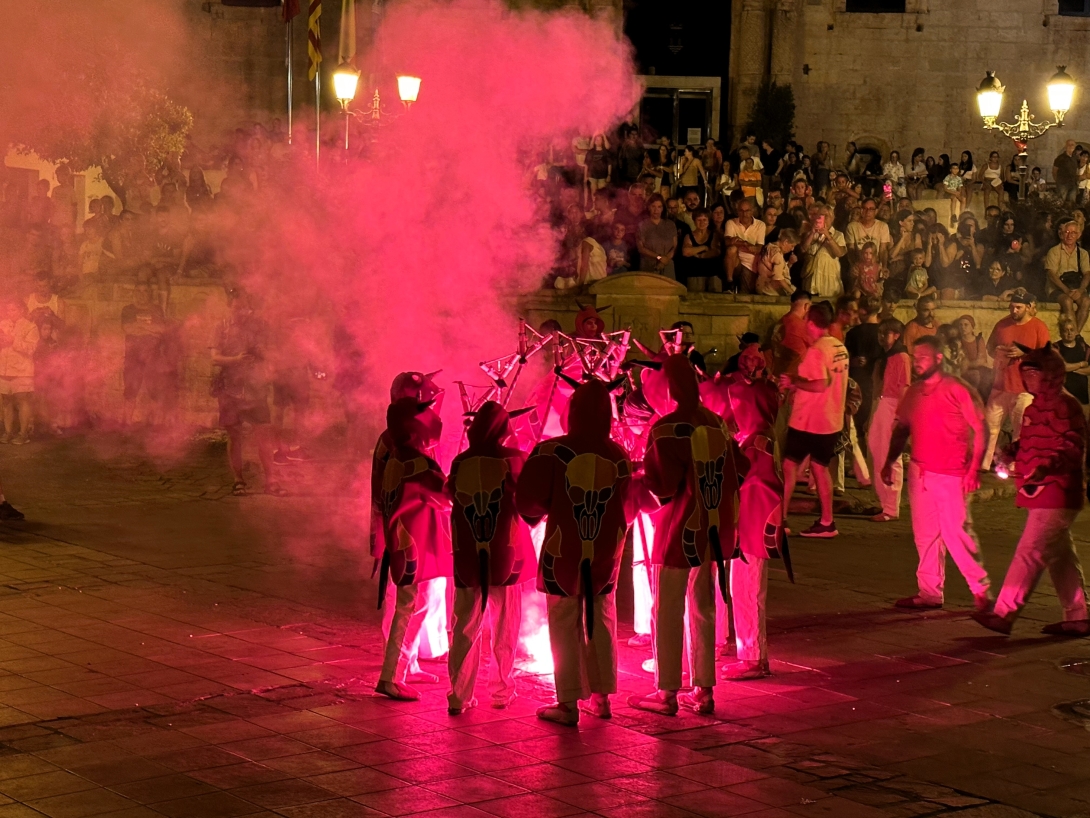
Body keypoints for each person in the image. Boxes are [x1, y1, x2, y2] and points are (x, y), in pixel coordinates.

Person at [516, 380, 633, 726]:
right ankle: (602, 697)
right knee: (603, 619)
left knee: (564, 621)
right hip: (605, 552)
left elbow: (529, 501)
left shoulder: (551, 451)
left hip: (561, 550)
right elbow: (627, 505)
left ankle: (567, 702)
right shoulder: (619, 455)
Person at [630, 355, 737, 715]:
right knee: (704, 607)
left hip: (678, 528)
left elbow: (662, 483)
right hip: (712, 527)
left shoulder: (667, 427)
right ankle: (704, 689)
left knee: (668, 608)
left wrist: (639, 477)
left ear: (670, 389)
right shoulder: (718, 423)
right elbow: (739, 468)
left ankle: (667, 692)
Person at [974, 345, 1088, 636]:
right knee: (1060, 555)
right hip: (1039, 489)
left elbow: (1071, 446)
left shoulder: (1066, 406)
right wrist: (1010, 452)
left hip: (1058, 491)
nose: (1030, 379)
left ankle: (1004, 613)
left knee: (1030, 551)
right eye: (1026, 374)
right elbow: (1032, 442)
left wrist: (1045, 468)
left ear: (1050, 375)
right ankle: (1079, 615)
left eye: (1035, 373)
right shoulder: (1035, 407)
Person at [882, 336, 992, 610]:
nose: (917, 362)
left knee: (956, 534)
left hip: (951, 473)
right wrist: (889, 462)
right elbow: (902, 429)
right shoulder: (914, 392)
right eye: (915, 357)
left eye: (923, 357)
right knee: (925, 534)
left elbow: (980, 427)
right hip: (920, 471)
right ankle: (929, 591)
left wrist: (975, 468)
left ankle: (980, 591)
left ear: (939, 358)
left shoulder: (957, 388)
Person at [446, 402, 534, 714]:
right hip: (506, 554)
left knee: (465, 626)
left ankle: (458, 695)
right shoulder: (515, 459)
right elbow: (529, 498)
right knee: (505, 626)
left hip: (468, 553)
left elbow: (449, 495)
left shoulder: (460, 461)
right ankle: (501, 689)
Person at [374, 397, 452, 702]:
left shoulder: (397, 458)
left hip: (404, 547)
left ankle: (403, 669)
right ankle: (391, 677)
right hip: (415, 549)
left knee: (410, 608)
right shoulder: (417, 463)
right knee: (408, 610)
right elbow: (447, 499)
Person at [713, 343, 783, 679]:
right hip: (749, 523)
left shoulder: (757, 442)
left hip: (753, 526)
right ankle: (744, 648)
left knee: (747, 589)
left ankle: (754, 657)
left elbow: (747, 484)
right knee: (740, 587)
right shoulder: (756, 437)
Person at [778, 301, 849, 538]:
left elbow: (821, 383)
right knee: (820, 469)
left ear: (810, 322)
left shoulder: (816, 350)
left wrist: (794, 384)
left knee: (789, 467)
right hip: (831, 419)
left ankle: (781, 519)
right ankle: (827, 521)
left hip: (809, 420)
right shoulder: (839, 347)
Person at [210, 290, 280, 496]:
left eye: (245, 307)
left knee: (263, 437)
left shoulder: (260, 327)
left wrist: (261, 354)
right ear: (230, 305)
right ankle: (238, 480)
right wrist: (236, 360)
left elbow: (270, 355)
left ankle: (270, 482)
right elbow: (214, 358)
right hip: (230, 389)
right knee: (235, 436)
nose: (242, 311)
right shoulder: (221, 327)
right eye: (237, 307)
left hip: (255, 388)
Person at [981, 292, 1050, 471]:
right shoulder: (1002, 324)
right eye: (1012, 306)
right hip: (1001, 384)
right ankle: (985, 463)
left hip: (1025, 388)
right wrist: (997, 351)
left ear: (1028, 307)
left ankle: (1015, 464)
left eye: (1018, 307)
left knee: (1020, 429)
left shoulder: (1038, 327)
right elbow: (989, 347)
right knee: (990, 426)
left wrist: (1024, 353)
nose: (1014, 310)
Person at [868, 319, 910, 522]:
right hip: (884, 403)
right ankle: (884, 501)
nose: (881, 337)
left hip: (892, 405)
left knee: (890, 456)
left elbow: (904, 387)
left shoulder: (901, 357)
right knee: (877, 450)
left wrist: (898, 415)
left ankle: (891, 508)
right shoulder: (887, 356)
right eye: (881, 333)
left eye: (886, 333)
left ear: (896, 335)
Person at [121, 284, 167, 427]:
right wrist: (150, 329)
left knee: (155, 390)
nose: (142, 294)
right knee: (130, 390)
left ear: (149, 293)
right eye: (139, 291)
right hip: (133, 356)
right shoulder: (128, 310)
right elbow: (128, 329)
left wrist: (139, 326)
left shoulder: (156, 309)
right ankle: (127, 424)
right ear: (135, 293)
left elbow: (161, 330)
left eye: (145, 291)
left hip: (152, 355)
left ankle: (156, 425)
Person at [0, 301, 40, 446]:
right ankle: (8, 432)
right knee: (6, 402)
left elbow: (31, 348)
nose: (11, 313)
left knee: (23, 400)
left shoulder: (31, 326)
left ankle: (23, 433)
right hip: (3, 370)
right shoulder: (2, 324)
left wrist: (13, 340)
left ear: (22, 310)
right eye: (9, 310)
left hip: (22, 371)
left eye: (14, 310)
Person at [845, 295, 882, 442]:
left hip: (857, 383)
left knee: (858, 423)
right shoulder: (884, 332)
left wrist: (854, 362)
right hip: (877, 383)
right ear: (879, 309)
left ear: (862, 311)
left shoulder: (852, 333)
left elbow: (847, 359)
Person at [1045, 219, 1090, 331]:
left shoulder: (1083, 253)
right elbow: (1051, 275)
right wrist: (1066, 290)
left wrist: (1080, 290)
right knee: (1067, 301)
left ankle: (1075, 334)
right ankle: (1073, 335)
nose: (1070, 236)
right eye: (1067, 232)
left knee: (1086, 301)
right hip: (1058, 289)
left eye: (1073, 233)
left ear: (1078, 235)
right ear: (1061, 234)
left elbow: (1087, 274)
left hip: (1075, 288)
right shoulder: (1054, 251)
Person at [800, 204, 847, 297]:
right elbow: (803, 249)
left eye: (827, 216)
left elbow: (839, 253)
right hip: (812, 278)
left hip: (829, 279)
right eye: (821, 215)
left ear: (832, 218)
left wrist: (828, 236)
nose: (824, 218)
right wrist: (812, 233)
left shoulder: (838, 235)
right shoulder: (809, 233)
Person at [724, 198, 766, 292]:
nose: (744, 214)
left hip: (750, 263)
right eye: (741, 211)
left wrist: (739, 242)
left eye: (747, 211)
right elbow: (727, 242)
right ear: (737, 211)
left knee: (745, 294)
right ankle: (729, 282)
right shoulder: (731, 223)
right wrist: (745, 244)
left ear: (752, 211)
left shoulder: (760, 225)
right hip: (735, 261)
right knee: (732, 249)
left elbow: (758, 249)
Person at [636, 194, 678, 279]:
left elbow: (674, 246)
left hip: (667, 265)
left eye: (659, 207)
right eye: (653, 206)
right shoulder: (643, 225)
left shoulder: (670, 225)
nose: (656, 210)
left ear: (663, 208)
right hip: (649, 266)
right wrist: (659, 257)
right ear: (649, 207)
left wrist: (664, 260)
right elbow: (641, 248)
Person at [1057, 317, 1090, 418]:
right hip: (1063, 395)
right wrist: (1080, 364)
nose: (1069, 333)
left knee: (1083, 425)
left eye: (1072, 330)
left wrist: (1071, 368)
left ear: (1076, 332)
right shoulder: (1056, 348)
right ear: (1060, 332)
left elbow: (1089, 370)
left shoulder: (1084, 347)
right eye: (1066, 330)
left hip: (1082, 395)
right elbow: (1062, 367)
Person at [845, 198, 892, 265]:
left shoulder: (883, 226)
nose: (868, 211)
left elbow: (883, 250)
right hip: (858, 265)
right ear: (861, 210)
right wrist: (855, 266)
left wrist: (884, 266)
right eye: (865, 208)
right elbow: (851, 249)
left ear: (876, 211)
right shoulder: (852, 226)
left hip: (876, 265)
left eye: (871, 209)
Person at [754, 229, 798, 296]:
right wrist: (792, 293)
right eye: (792, 246)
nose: (792, 249)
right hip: (769, 288)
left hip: (761, 285)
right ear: (786, 242)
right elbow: (778, 277)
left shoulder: (768, 246)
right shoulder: (777, 253)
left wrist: (790, 263)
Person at [1053, 139, 1080, 204]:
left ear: (1075, 146)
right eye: (1069, 145)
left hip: (1072, 184)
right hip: (1062, 185)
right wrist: (1058, 182)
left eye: (1072, 145)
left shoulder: (1075, 158)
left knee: (1071, 203)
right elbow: (1054, 171)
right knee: (1060, 202)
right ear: (1065, 146)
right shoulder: (1060, 158)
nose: (1070, 146)